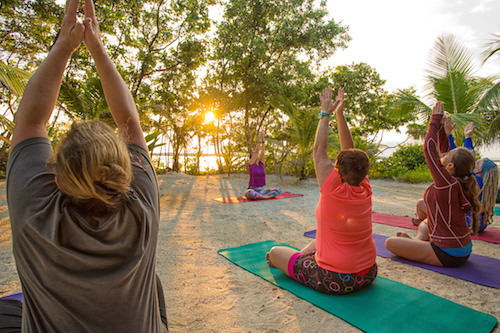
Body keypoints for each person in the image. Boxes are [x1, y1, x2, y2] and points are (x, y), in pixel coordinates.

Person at [0, 0, 168, 331]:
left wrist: (64, 45)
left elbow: (31, 120)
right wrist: (98, 48)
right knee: (154, 285)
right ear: (126, 175)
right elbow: (131, 123)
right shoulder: (142, 209)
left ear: (59, 182)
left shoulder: (37, 212)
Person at [265, 88, 377, 295]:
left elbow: (319, 150)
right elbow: (348, 150)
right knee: (317, 240)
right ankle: (303, 256)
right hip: (368, 273)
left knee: (275, 253)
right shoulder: (364, 186)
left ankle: (299, 261)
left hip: (336, 279)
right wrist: (339, 114)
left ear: (338, 172)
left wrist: (325, 113)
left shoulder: (333, 188)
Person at [385, 102, 481, 267]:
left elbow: (429, 150)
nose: (445, 154)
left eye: (449, 154)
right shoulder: (457, 180)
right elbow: (443, 151)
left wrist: (434, 120)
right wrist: (442, 130)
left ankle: (418, 245)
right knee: (425, 223)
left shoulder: (447, 184)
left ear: (450, 166)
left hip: (448, 253)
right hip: (462, 248)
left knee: (390, 243)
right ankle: (417, 242)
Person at [412, 121, 498, 232]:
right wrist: (467, 137)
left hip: (462, 224)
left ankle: (422, 220)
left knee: (421, 203)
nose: (476, 160)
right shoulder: (479, 183)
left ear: (479, 169)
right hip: (480, 225)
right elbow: (466, 157)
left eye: (478, 162)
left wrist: (449, 135)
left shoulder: (468, 179)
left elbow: (458, 159)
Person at [244, 131, 281, 200]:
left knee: (278, 190)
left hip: (261, 190)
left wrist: (263, 141)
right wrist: (259, 139)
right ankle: (266, 196)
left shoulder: (261, 164)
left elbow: (262, 152)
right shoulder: (251, 165)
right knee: (250, 193)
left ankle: (261, 195)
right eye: (253, 155)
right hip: (252, 190)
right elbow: (257, 152)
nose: (255, 155)